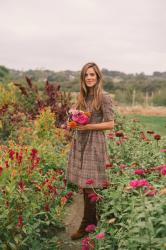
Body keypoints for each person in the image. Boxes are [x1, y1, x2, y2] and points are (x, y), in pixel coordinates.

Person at [66, 62, 114, 240]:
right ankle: (93, 221)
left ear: (98, 77)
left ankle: (86, 225)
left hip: (94, 143)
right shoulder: (82, 97)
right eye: (86, 75)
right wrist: (72, 122)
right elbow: (77, 120)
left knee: (89, 185)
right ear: (83, 78)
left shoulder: (104, 97)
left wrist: (89, 126)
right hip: (81, 142)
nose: (89, 77)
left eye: (92, 74)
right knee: (85, 185)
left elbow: (110, 123)